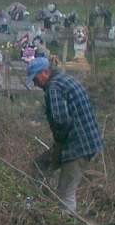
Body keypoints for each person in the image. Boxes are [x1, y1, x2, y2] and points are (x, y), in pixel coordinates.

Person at [26, 57, 103, 213]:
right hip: (84, 141)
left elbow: (61, 120)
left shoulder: (53, 87)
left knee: (65, 194)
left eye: (35, 78)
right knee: (39, 166)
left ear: (45, 72)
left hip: (78, 147)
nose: (35, 83)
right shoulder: (65, 80)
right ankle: (35, 203)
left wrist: (59, 143)